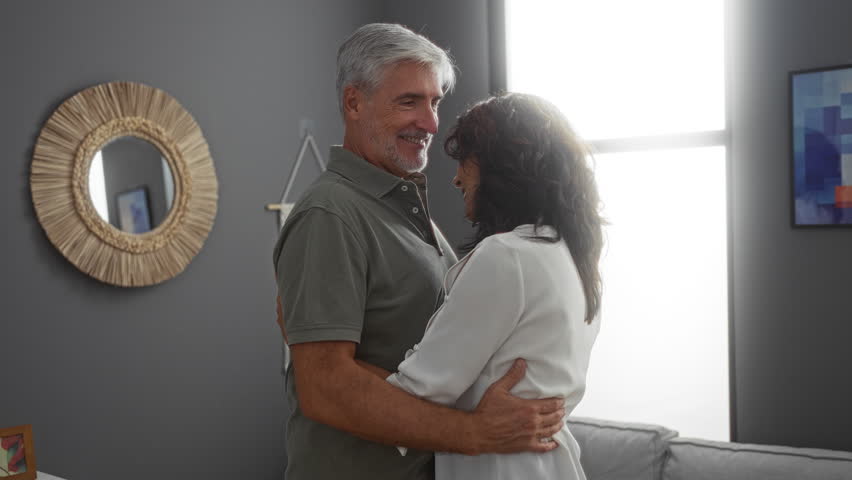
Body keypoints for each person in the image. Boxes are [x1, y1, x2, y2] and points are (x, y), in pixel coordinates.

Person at [272, 24, 566, 480]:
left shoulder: (403, 211)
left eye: (434, 102)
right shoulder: (330, 215)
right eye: (409, 101)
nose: (430, 123)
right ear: (354, 103)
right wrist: (475, 433)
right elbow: (325, 387)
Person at [375, 92, 605, 479]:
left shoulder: (507, 256)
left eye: (465, 159)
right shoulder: (570, 256)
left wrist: (322, 361)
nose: (456, 177)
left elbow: (413, 394)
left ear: (499, 167)